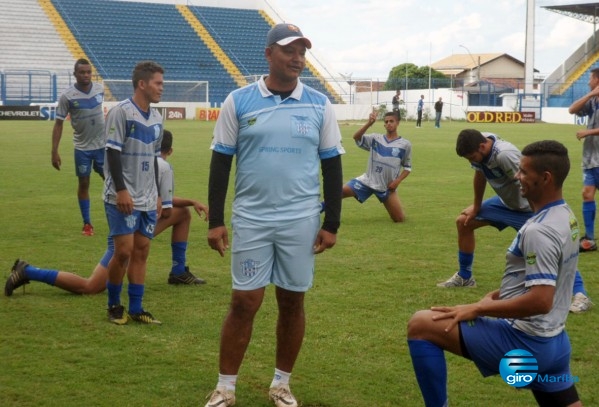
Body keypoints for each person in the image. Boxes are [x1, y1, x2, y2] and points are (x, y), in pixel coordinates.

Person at [204, 23, 344, 407]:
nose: (298, 58)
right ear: (269, 54)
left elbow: (332, 166)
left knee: (292, 302)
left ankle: (281, 384)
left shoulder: (319, 104)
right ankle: (225, 388)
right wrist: (216, 219)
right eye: (289, 51)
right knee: (243, 302)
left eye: (302, 51)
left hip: (300, 220)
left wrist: (331, 223)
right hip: (251, 218)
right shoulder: (239, 100)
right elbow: (220, 164)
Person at [408, 140, 583, 407]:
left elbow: (541, 301)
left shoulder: (539, 230)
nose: (517, 176)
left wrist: (479, 308)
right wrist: (504, 294)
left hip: (527, 344)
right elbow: (552, 275)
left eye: (524, 172)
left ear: (546, 178)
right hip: (555, 345)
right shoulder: (566, 215)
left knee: (420, 325)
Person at [4, 130, 208, 297]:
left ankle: (179, 271)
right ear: (169, 150)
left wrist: (191, 202)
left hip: (124, 222)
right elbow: (167, 211)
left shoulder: (136, 160)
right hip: (128, 231)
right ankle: (28, 271)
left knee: (184, 213)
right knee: (90, 287)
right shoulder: (164, 167)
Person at [437, 130, 592, 313]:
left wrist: (540, 217)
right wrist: (477, 207)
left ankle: (581, 295)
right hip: (505, 205)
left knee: (552, 246)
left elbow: (529, 182)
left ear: (482, 146)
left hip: (527, 209)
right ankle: (465, 277)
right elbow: (480, 175)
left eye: (472, 157)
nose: (471, 161)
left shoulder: (504, 155)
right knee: (464, 221)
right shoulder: (481, 145)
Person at [103, 61, 164, 325]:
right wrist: (121, 190)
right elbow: (112, 152)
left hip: (148, 197)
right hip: (123, 196)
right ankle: (114, 304)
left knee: (141, 251)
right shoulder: (121, 112)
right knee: (124, 251)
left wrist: (160, 195)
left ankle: (137, 308)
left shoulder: (158, 119)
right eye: (158, 83)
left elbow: (155, 160)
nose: (162, 88)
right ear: (142, 84)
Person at [51, 58, 105, 236]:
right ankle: (87, 223)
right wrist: (54, 151)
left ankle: (124, 216)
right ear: (75, 74)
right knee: (84, 182)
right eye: (82, 72)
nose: (86, 75)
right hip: (82, 148)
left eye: (88, 72)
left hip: (102, 146)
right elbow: (58, 124)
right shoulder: (67, 96)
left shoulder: (99, 89)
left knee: (113, 181)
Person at [338, 110, 411, 222]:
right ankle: (319, 208)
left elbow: (407, 168)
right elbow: (356, 137)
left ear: (398, 123)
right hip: (367, 181)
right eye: (386, 122)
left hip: (387, 187)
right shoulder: (375, 138)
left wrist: (397, 181)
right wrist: (369, 123)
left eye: (392, 121)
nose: (388, 124)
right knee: (338, 193)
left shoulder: (405, 144)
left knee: (399, 219)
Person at [568, 66, 599, 253]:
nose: (588, 82)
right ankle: (589, 238)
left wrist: (588, 131)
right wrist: (590, 95)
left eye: (591, 79)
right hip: (591, 159)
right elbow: (572, 109)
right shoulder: (593, 101)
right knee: (587, 194)